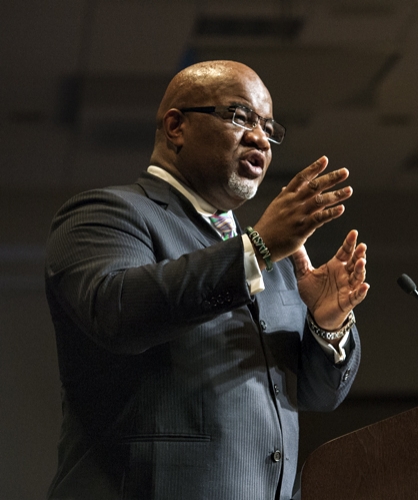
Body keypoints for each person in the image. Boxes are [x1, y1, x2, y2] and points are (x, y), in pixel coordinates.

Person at [44, 60, 369, 500]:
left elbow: (315, 395)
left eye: (268, 127)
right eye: (239, 117)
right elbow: (116, 311)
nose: (260, 138)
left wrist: (326, 326)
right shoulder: (106, 216)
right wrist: (256, 249)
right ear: (176, 126)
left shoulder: (269, 255)